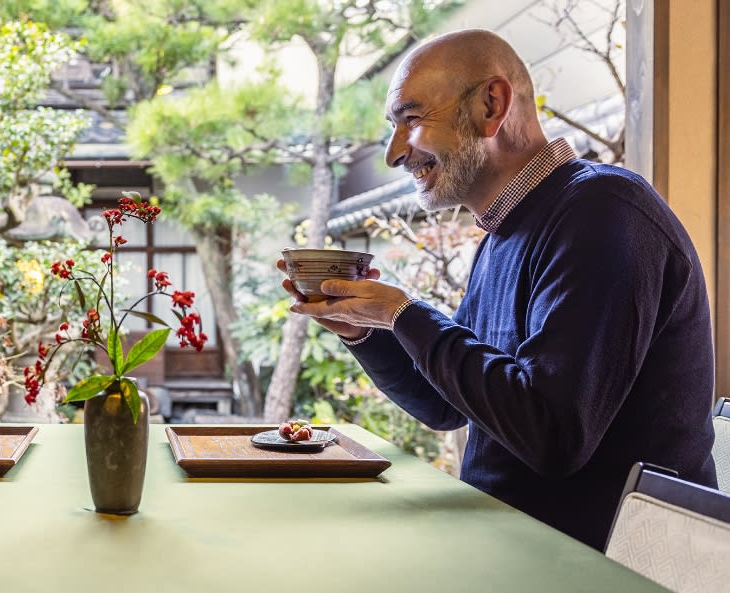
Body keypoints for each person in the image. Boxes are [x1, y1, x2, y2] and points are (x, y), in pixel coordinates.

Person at [281, 29, 717, 549]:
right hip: (514, 546)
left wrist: (406, 314)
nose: (396, 153)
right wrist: (365, 329)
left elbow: (553, 435)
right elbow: (446, 406)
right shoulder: (503, 234)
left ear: (492, 105)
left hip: (604, 567)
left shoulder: (603, 212)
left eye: (412, 119)